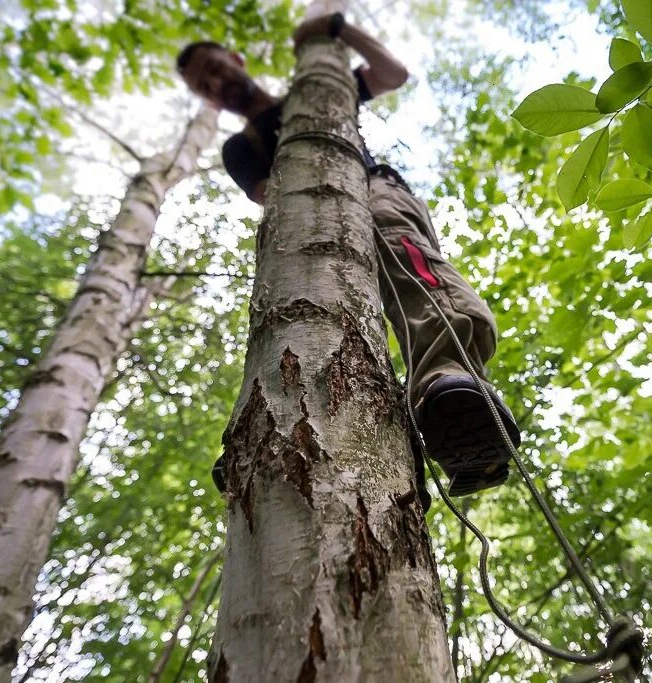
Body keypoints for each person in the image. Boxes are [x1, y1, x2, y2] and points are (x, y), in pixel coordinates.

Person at [176, 13, 520, 498]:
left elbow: (392, 74)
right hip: (300, 220)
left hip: (373, 190)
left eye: (215, 67)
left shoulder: (323, 85)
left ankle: (450, 384)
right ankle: (290, 421)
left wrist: (336, 29)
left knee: (414, 278)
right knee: (300, 307)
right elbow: (270, 194)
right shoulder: (240, 149)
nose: (216, 83)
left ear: (236, 59)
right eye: (203, 85)